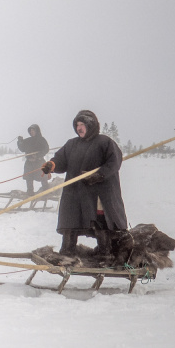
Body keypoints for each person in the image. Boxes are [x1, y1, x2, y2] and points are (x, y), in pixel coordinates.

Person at [41, 110, 128, 259]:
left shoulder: (105, 142)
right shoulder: (71, 144)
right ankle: (67, 251)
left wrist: (99, 175)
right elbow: (60, 160)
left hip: (98, 192)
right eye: (77, 125)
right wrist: (52, 165)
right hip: (74, 192)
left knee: (100, 221)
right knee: (70, 219)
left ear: (91, 125)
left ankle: (105, 253)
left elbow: (114, 162)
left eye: (82, 124)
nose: (79, 128)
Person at [16, 124, 49, 195]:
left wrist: (38, 155)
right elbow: (22, 148)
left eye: (33, 130)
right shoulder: (28, 140)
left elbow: (46, 149)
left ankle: (46, 191)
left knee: (43, 176)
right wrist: (20, 141)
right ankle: (30, 192)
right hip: (29, 163)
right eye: (30, 130)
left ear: (37, 131)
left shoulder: (41, 140)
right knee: (28, 177)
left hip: (39, 162)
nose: (31, 132)